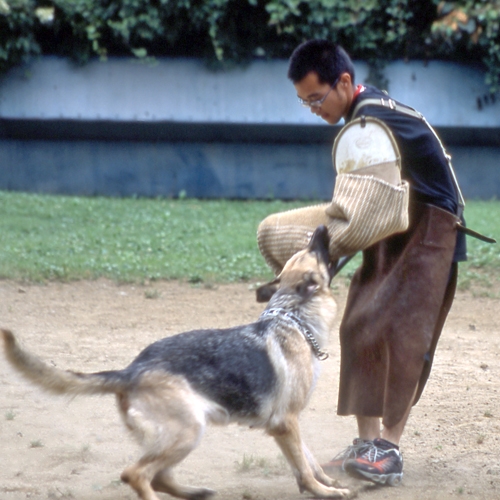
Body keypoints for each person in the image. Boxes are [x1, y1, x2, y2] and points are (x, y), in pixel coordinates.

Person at [256, 39, 468, 486]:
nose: (312, 108)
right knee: (359, 324)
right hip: (393, 224)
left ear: (345, 82)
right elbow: (364, 208)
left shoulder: (374, 119)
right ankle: (366, 443)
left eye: (316, 97)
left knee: (404, 333)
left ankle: (388, 449)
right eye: (304, 101)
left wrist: (326, 250)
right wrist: (314, 252)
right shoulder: (360, 120)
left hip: (432, 227)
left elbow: (361, 210)